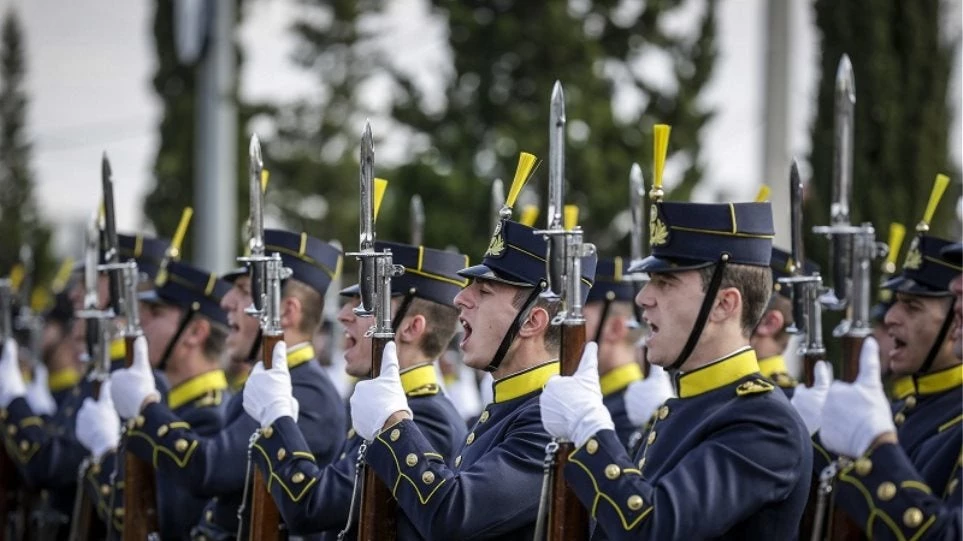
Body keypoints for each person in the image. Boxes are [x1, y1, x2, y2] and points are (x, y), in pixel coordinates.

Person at [540, 198, 813, 539]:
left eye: (665, 282)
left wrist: (590, 429)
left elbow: (655, 528)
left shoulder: (765, 423)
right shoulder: (681, 408)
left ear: (723, 304)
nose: (643, 298)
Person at [342, 217, 594, 539]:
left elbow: (454, 516)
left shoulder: (551, 421)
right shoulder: (509, 408)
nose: (461, 298)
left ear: (531, 321)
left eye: (484, 291)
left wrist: (392, 424)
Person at [242, 240, 469, 538]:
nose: (343, 315)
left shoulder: (427, 419)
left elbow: (313, 506)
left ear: (411, 328)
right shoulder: (389, 407)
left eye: (365, 305)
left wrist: (277, 419)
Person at [0, 233, 169, 537]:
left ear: (121, 287)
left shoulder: (131, 380)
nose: (77, 296)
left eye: (90, 281)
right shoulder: (99, 375)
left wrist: (14, 400)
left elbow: (50, 465)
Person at [75, 259, 233, 537]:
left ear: (196, 332)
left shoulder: (209, 418)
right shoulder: (178, 407)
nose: (140, 322)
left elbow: (159, 526)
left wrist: (105, 452)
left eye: (156, 313)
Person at [819, 234, 962, 540]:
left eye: (912, 307)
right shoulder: (902, 411)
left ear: (953, 325)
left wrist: (875, 447)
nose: (891, 318)